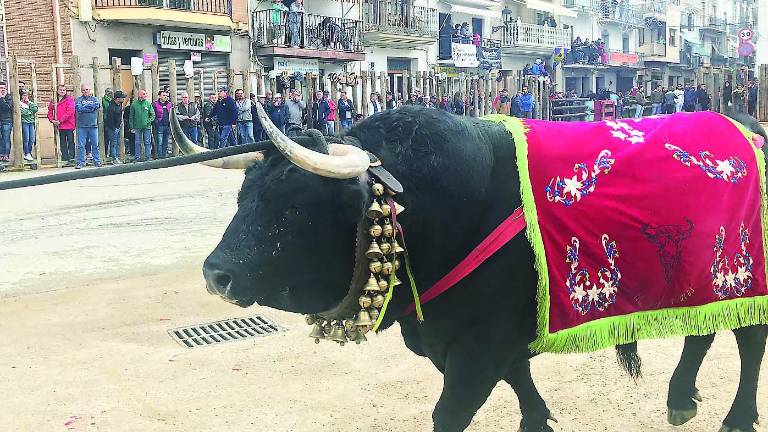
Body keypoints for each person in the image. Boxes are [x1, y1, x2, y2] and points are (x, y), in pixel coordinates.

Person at [74, 83, 101, 169]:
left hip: (93, 126)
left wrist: (85, 107)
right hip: (81, 126)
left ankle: (97, 161)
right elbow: (79, 108)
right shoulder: (78, 99)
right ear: (81, 91)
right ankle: (80, 162)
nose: (85, 91)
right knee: (81, 145)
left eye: (86, 90)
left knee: (95, 144)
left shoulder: (95, 99)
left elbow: (96, 106)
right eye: (83, 90)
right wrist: (90, 108)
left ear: (90, 90)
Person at [47, 84, 76, 163]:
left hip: (68, 124)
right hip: (59, 125)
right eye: (61, 90)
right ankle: (65, 157)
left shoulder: (69, 99)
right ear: (57, 91)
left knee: (70, 141)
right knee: (62, 142)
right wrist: (52, 119)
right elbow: (50, 110)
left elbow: (70, 111)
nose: (62, 91)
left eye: (64, 90)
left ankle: (71, 156)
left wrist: (60, 120)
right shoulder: (54, 100)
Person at [129, 89, 155, 162]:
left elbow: (152, 115)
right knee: (137, 142)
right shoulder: (134, 104)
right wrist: (131, 127)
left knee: (147, 142)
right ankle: (137, 157)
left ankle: (148, 157)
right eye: (144, 94)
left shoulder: (148, 104)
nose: (145, 95)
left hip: (147, 127)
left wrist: (148, 121)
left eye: (146, 94)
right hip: (137, 127)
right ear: (139, 95)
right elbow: (131, 117)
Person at [104, 90, 125, 164]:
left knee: (116, 143)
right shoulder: (111, 107)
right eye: (122, 98)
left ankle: (114, 156)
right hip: (112, 128)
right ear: (117, 98)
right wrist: (113, 128)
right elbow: (110, 119)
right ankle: (114, 158)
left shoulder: (119, 105)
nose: (123, 99)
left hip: (117, 126)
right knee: (113, 143)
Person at [19, 90, 38, 161]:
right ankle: (26, 153)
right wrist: (30, 111)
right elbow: (23, 113)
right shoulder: (19, 104)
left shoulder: (30, 103)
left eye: (26, 95)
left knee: (32, 139)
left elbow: (35, 109)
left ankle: (29, 152)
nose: (25, 97)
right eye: (24, 95)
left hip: (31, 122)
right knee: (26, 139)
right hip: (24, 122)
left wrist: (29, 106)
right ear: (21, 96)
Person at [152, 91, 173, 159]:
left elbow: (172, 114)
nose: (165, 96)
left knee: (165, 142)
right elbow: (153, 114)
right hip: (159, 126)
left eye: (166, 95)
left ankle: (164, 156)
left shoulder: (169, 104)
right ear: (159, 96)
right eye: (163, 95)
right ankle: (159, 156)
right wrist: (156, 122)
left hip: (167, 126)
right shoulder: (155, 104)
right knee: (159, 142)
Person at [0, 82, 11, 162]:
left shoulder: (8, 97)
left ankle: (6, 155)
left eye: (4, 88)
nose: (2, 89)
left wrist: (2, 98)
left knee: (6, 138)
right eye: (1, 88)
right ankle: (1, 154)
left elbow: (7, 108)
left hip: (7, 120)